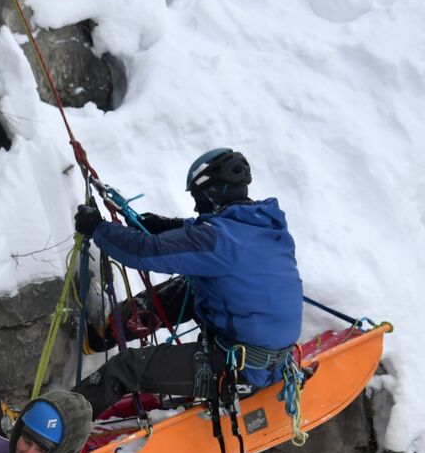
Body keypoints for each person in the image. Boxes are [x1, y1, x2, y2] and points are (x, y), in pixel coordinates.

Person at [69, 148, 304, 416]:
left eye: (198, 199)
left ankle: (58, 424)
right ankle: (104, 332)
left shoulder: (215, 240)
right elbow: (212, 235)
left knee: (126, 367)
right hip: (264, 352)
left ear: (212, 194)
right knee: (189, 289)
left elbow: (147, 251)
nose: (195, 206)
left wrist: (98, 228)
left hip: (238, 367)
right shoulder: (266, 224)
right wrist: (168, 226)